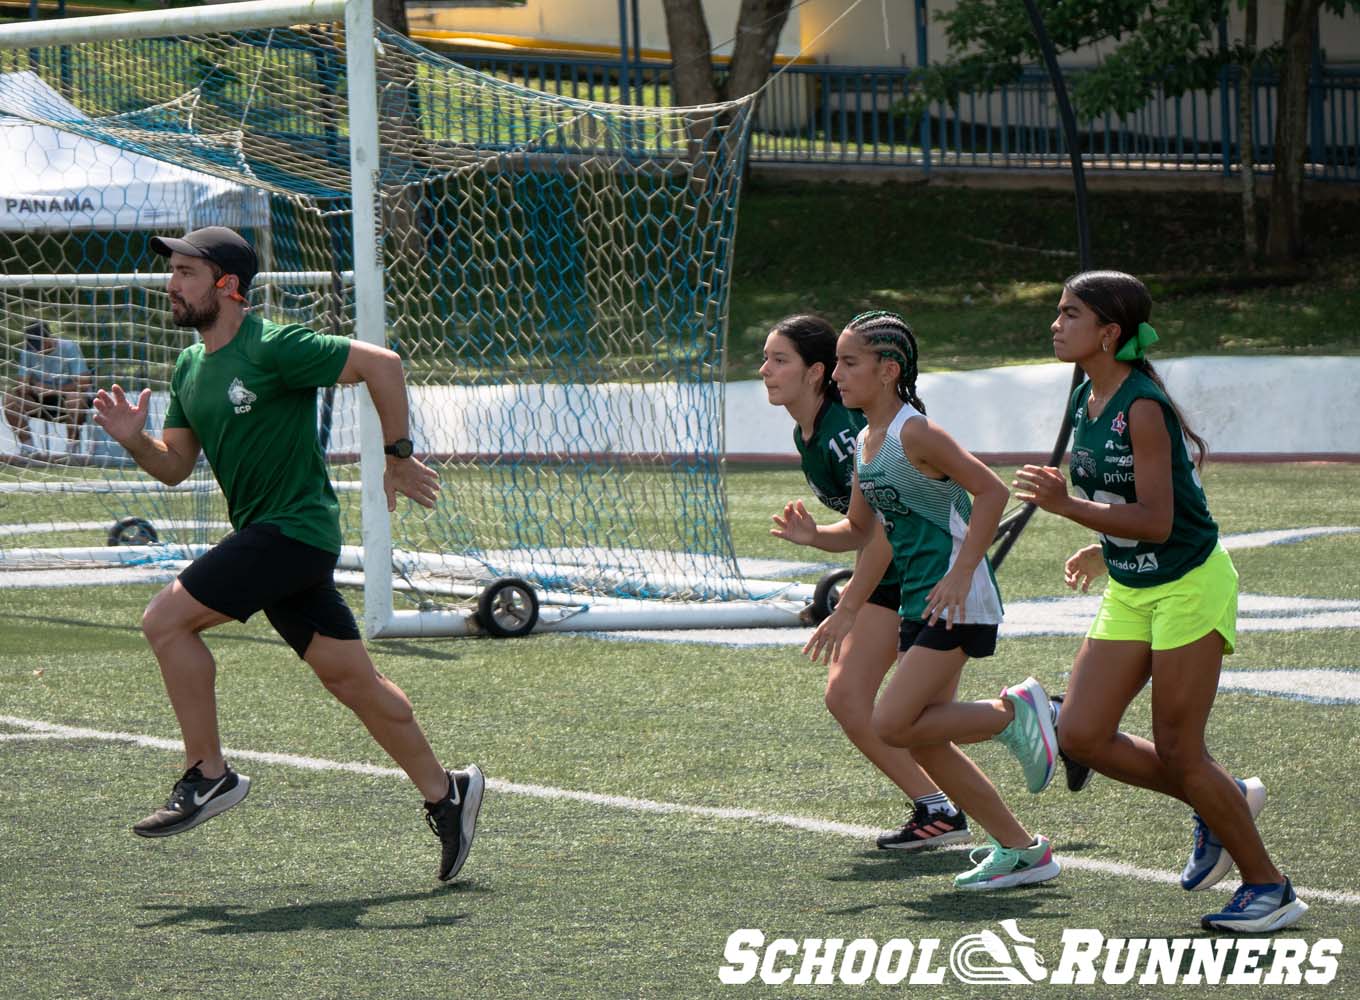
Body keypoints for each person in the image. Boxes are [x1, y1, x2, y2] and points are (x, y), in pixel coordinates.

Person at [92, 226, 483, 882]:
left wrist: (397, 456)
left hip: (292, 532)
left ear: (228, 286)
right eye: (174, 272)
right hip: (273, 542)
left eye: (187, 272)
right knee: (351, 680)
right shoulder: (189, 366)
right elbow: (175, 468)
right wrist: (135, 441)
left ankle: (208, 774)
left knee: (165, 620)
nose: (172, 284)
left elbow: (381, 365)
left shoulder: (274, 344)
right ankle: (449, 794)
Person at [1012, 269, 1307, 932]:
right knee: (1081, 733)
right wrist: (1102, 546)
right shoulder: (1088, 394)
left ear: (1109, 333)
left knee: (1180, 747)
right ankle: (1223, 801)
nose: (1056, 324)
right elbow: (1128, 508)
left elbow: (1160, 521)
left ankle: (1269, 888)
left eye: (1069, 314)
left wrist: (1067, 509)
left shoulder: (1140, 405)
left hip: (1189, 583)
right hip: (1135, 583)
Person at [773, 310, 1060, 891]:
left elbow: (992, 490)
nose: (839, 377)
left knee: (891, 721)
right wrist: (815, 541)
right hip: (918, 601)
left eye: (850, 364)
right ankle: (1022, 849)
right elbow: (864, 532)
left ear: (888, 371)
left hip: (954, 597)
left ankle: (1023, 711)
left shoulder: (914, 431)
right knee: (927, 740)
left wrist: (962, 571)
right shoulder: (866, 443)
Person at [761, 314, 968, 852]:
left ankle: (1049, 723)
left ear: (815, 373)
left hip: (920, 575)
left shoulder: (849, 428)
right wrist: (813, 537)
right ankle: (938, 807)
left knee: (906, 717)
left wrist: (848, 605)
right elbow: (862, 530)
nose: (765, 370)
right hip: (891, 571)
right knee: (855, 700)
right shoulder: (808, 432)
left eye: (779, 359)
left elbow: (881, 535)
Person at [5, 320, 92, 457]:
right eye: (34, 347)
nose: (38, 350)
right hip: (40, 401)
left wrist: (52, 389)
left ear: (49, 337)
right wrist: (29, 387)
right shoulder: (28, 351)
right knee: (10, 399)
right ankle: (29, 449)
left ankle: (72, 449)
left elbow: (84, 383)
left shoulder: (68, 347)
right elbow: (22, 383)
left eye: (40, 345)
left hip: (66, 401)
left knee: (75, 398)